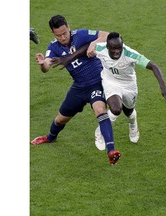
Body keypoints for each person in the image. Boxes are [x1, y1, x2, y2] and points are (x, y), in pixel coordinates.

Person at [51, 32, 166, 151]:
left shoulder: (130, 54)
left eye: (119, 48)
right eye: (113, 49)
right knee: (115, 109)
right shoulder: (101, 48)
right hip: (110, 83)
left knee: (129, 110)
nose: (117, 51)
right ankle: (100, 131)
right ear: (107, 46)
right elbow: (85, 48)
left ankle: (133, 124)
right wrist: (68, 58)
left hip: (128, 85)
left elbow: (153, 66)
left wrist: (164, 88)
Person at [30, 15, 121, 165]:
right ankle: (50, 137)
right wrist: (41, 63)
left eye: (64, 33)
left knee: (100, 109)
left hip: (96, 83)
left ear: (68, 27)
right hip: (78, 88)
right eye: (58, 35)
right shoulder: (53, 47)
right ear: (53, 33)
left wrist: (94, 43)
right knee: (60, 119)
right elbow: (46, 66)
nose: (63, 37)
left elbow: (108, 36)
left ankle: (111, 151)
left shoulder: (81, 34)